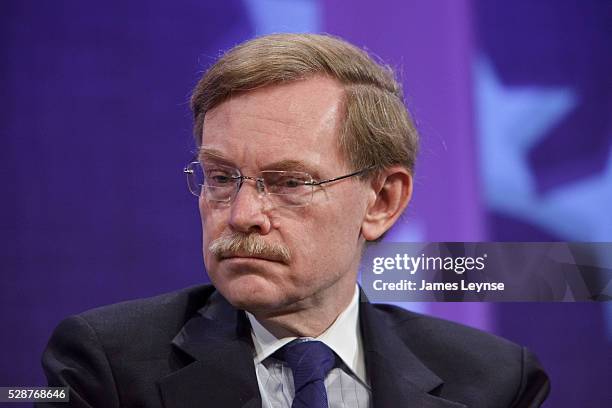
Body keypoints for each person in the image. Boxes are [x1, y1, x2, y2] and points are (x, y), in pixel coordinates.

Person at [39, 33, 550, 408]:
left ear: (381, 202)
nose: (242, 216)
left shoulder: (495, 381)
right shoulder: (104, 365)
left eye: (289, 183)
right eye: (221, 177)